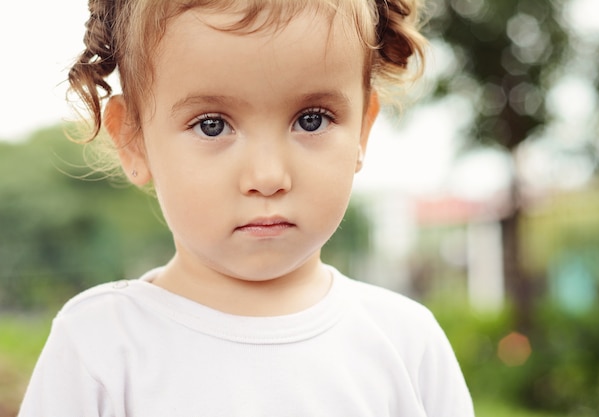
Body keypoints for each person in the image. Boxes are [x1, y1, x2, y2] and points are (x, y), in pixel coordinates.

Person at [18, 0, 474, 415]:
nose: (268, 176)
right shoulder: (100, 348)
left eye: (311, 119)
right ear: (133, 140)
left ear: (362, 132)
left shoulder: (407, 345)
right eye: (213, 126)